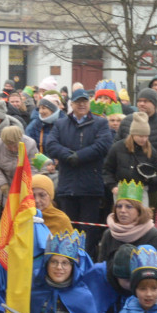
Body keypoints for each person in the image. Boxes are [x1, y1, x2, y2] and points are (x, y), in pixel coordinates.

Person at [44, 88, 114, 236]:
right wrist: (68, 155)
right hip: (67, 186)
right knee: (68, 229)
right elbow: (51, 144)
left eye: (84, 101)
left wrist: (79, 156)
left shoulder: (100, 123)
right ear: (72, 104)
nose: (81, 104)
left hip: (91, 186)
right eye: (78, 102)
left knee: (88, 232)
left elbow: (103, 145)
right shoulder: (61, 124)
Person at [97, 180, 157, 265]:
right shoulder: (109, 234)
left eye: (129, 207)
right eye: (119, 206)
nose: (122, 211)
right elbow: (101, 266)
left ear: (139, 211)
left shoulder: (153, 235)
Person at [104, 112, 157, 200]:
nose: (143, 139)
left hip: (141, 191)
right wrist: (112, 186)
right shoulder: (117, 148)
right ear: (133, 134)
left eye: (146, 136)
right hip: (120, 190)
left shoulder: (151, 151)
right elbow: (107, 169)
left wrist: (149, 178)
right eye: (140, 136)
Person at [0, 125, 37, 198]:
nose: (13, 149)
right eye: (9, 146)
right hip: (6, 186)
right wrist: (2, 183)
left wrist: (27, 186)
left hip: (25, 185)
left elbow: (33, 167)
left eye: (15, 146)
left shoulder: (30, 144)